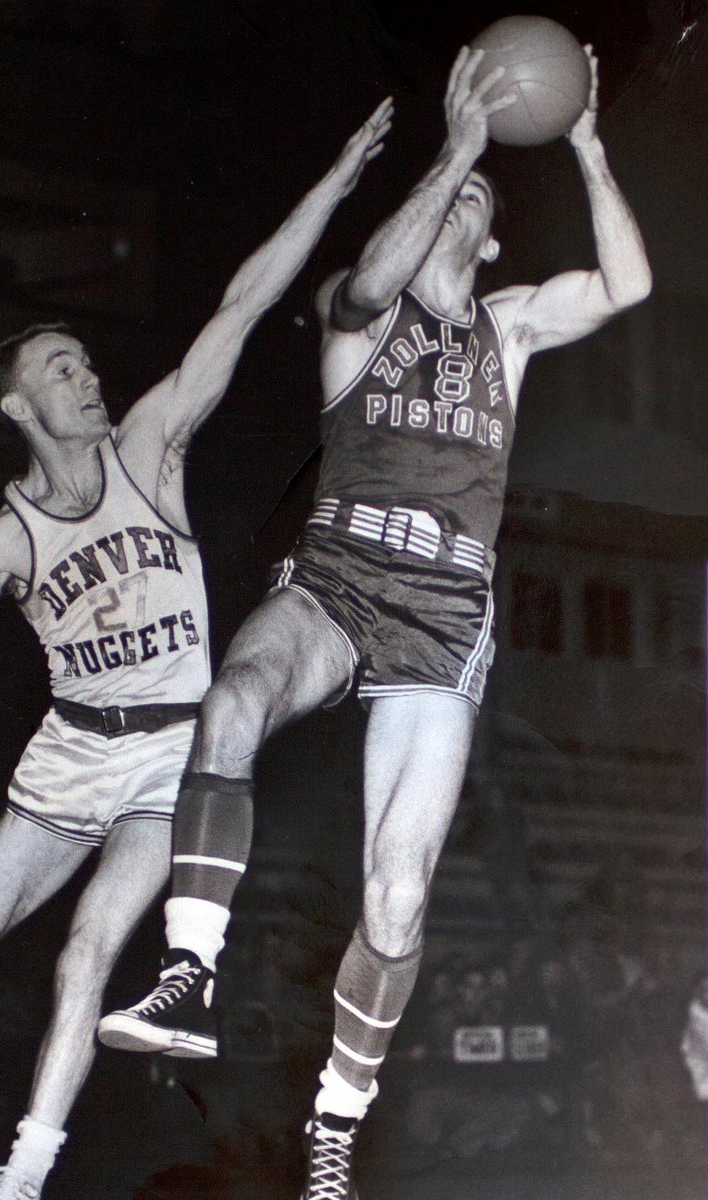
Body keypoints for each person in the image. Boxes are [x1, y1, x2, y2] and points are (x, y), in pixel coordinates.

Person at [0, 97, 393, 1200]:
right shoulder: (2, 541)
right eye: (64, 369)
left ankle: (23, 1173)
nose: (90, 378)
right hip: (68, 754)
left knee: (87, 955)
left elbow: (247, 301)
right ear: (21, 405)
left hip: (172, 757)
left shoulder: (151, 447)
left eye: (86, 364)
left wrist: (339, 182)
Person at [98, 45, 651, 1200]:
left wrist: (589, 146)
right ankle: (188, 972)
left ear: (492, 238)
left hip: (445, 617)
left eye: (477, 199)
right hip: (338, 579)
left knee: (398, 890)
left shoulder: (509, 328)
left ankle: (336, 1125)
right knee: (234, 698)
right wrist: (455, 151)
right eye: (441, 194)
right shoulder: (359, 321)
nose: (456, 203)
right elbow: (359, 283)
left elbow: (629, 286)